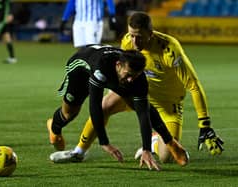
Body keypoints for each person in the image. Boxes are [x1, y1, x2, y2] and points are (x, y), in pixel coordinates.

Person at [49, 12, 224, 164]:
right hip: (136, 90)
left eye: (139, 36)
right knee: (103, 106)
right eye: (131, 35)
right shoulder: (127, 42)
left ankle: (155, 142)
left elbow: (193, 86)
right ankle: (79, 151)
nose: (134, 41)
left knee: (165, 157)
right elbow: (121, 70)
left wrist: (205, 125)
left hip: (167, 103)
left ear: (150, 32)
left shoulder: (170, 50)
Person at [47, 44, 189, 170]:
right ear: (118, 65)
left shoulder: (135, 77)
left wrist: (146, 149)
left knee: (138, 104)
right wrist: (104, 142)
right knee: (69, 113)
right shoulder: (102, 68)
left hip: (111, 74)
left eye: (134, 76)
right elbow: (95, 106)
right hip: (79, 70)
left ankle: (170, 142)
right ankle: (54, 128)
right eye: (128, 75)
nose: (130, 80)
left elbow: (143, 113)